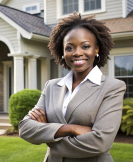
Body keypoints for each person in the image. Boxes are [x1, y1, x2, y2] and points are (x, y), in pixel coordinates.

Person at [19, 12, 126, 162]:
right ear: (62, 52)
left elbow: (100, 143)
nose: (77, 53)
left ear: (96, 50)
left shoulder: (112, 87)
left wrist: (49, 136)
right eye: (69, 48)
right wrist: (71, 129)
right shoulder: (51, 86)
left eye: (86, 46)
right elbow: (25, 128)